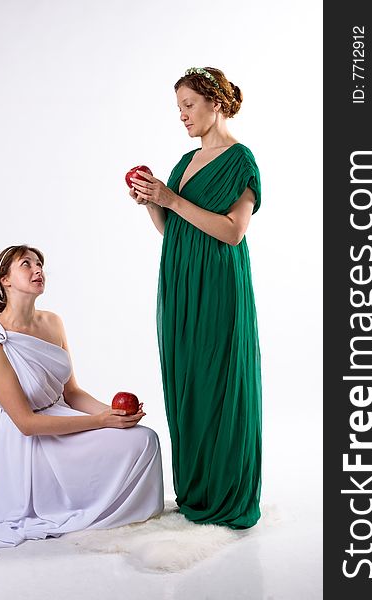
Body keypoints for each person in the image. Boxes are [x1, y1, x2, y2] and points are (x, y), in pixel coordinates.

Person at [0, 245, 164, 551]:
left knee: (144, 439)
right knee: (134, 440)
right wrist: (99, 422)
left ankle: (121, 508)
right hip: (31, 442)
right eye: (26, 264)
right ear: (6, 280)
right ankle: (79, 503)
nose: (38, 269)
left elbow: (73, 393)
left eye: (40, 264)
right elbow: (27, 424)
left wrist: (114, 414)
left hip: (64, 417)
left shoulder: (53, 322)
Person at [129, 67, 262, 529]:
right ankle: (197, 489)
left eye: (188, 105)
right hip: (180, 284)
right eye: (179, 108)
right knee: (187, 381)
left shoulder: (241, 160)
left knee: (219, 378)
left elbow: (232, 231)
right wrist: (151, 201)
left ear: (216, 104)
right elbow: (172, 230)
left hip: (220, 287)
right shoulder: (184, 163)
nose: (182, 116)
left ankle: (227, 492)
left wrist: (172, 199)